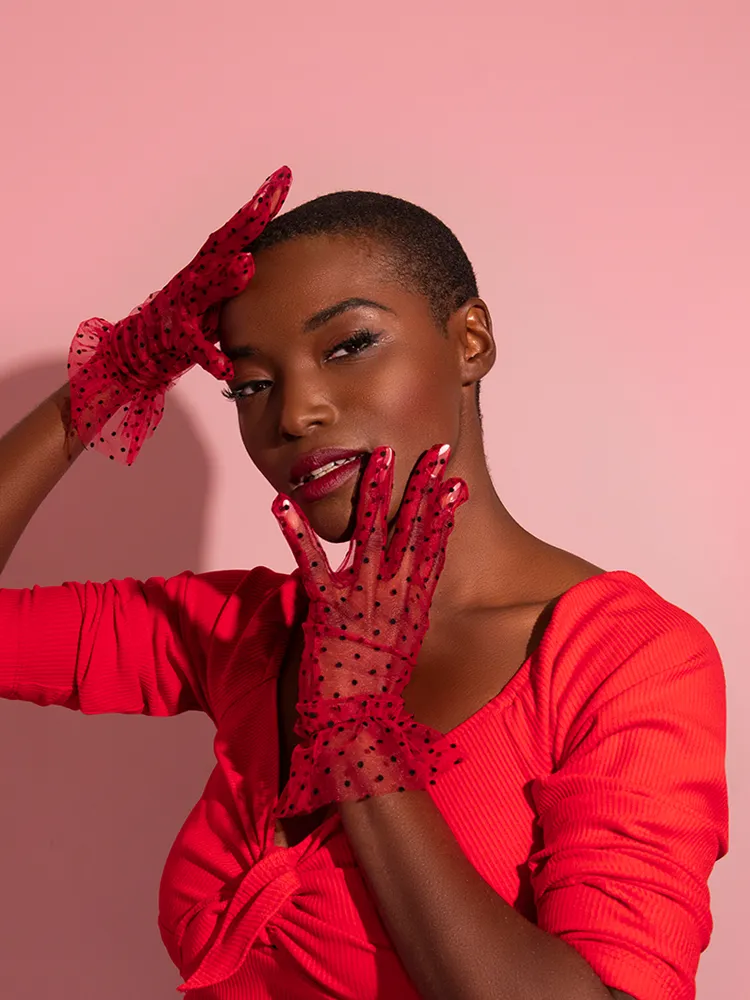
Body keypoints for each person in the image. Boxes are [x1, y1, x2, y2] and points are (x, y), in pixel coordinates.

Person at [0, 166, 728, 1000]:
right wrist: (113, 379)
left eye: (348, 345)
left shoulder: (624, 659)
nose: (297, 412)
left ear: (471, 340)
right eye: (251, 383)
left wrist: (360, 743)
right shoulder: (251, 631)